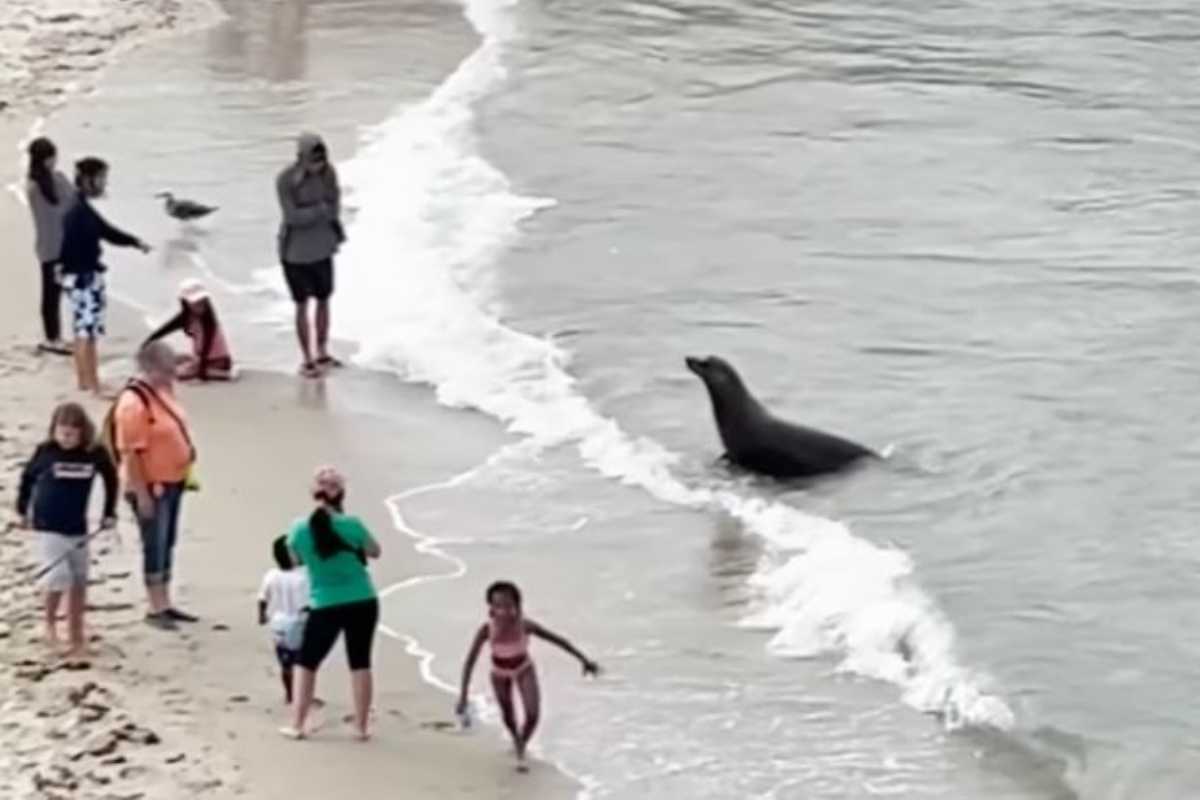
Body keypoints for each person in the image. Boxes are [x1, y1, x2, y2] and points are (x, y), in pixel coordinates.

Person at [456, 581, 600, 772]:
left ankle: (521, 744)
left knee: (533, 714)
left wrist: (584, 660)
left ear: (518, 605)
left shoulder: (525, 625)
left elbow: (559, 641)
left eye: (509, 605)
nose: (505, 611)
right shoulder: (486, 630)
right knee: (509, 716)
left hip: (523, 668)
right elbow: (469, 662)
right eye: (498, 606)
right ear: (491, 608)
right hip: (499, 674)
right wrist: (463, 696)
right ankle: (517, 742)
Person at [282, 467, 380, 741]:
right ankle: (361, 727)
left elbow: (293, 560)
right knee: (360, 661)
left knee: (307, 661)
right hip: (363, 598)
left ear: (315, 494)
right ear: (342, 494)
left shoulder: (300, 528)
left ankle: (298, 724)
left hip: (325, 601)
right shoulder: (354, 525)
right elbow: (375, 551)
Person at [16, 403, 117, 661]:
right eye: (61, 433)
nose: (65, 439)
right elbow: (27, 479)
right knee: (58, 577)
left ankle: (76, 635)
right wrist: (22, 510)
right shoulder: (46, 452)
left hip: (78, 528)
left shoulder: (94, 454)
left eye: (71, 434)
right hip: (48, 524)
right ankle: (49, 622)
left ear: (82, 432)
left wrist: (108, 512)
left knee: (79, 581)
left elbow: (111, 478)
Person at [114, 341, 197, 630]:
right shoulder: (133, 403)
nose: (171, 374)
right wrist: (142, 494)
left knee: (168, 541)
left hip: (173, 480)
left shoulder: (162, 390)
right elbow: (131, 453)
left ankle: (166, 600)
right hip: (151, 485)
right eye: (166, 369)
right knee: (154, 543)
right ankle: (154, 605)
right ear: (149, 369)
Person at [59, 157, 152, 395]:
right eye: (101, 179)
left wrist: (134, 241)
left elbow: (107, 232)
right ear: (88, 180)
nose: (104, 185)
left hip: (80, 277)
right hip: (84, 278)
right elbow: (71, 247)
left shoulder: (80, 208)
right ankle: (94, 385)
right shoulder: (78, 212)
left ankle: (85, 381)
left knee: (83, 331)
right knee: (86, 334)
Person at [275, 132, 345, 379]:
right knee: (301, 305)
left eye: (322, 160)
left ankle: (323, 351)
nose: (318, 165)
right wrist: (319, 210)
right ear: (301, 158)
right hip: (295, 253)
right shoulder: (285, 180)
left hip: (323, 248)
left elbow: (335, 207)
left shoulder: (329, 174)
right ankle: (307, 358)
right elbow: (291, 217)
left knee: (325, 299)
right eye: (314, 160)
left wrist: (317, 212)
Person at [25, 137, 75, 355]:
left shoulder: (32, 186)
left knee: (50, 295)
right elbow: (74, 203)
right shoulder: (57, 181)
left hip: (46, 248)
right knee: (61, 293)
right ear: (47, 159)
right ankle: (55, 339)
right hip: (62, 246)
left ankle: (52, 337)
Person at [144, 279, 236, 382]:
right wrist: (147, 343)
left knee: (176, 373)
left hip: (219, 361)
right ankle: (205, 370)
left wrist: (201, 376)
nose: (200, 305)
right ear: (185, 302)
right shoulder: (185, 317)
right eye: (195, 302)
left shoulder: (209, 322)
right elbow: (164, 330)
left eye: (202, 301)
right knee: (175, 358)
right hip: (200, 359)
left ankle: (220, 374)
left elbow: (206, 349)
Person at [258, 534, 310, 704]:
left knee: (285, 662)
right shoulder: (302, 578)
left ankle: (289, 694)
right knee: (302, 662)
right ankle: (301, 695)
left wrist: (262, 615)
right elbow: (306, 605)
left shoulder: (271, 575)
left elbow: (262, 598)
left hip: (278, 623)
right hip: (298, 623)